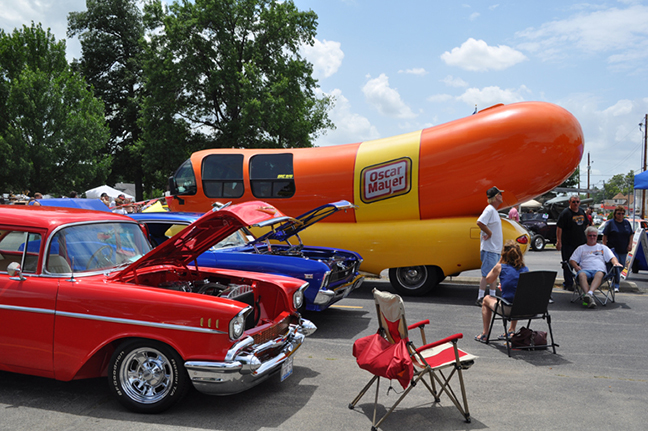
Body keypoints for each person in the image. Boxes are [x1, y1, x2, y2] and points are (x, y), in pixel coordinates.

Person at [474, 240, 529, 343]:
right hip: (524, 309)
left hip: (508, 309)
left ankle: (485, 334)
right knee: (517, 297)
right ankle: (511, 330)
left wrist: (499, 262)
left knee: (486, 299)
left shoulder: (501, 267)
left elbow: (488, 280)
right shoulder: (525, 269)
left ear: (504, 255)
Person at [569, 226, 622, 308]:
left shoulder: (602, 247)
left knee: (599, 273)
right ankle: (590, 298)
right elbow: (572, 260)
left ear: (597, 236)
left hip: (599, 270)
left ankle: (588, 295)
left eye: (594, 235)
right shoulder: (581, 248)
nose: (592, 237)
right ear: (586, 236)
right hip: (585, 270)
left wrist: (615, 263)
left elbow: (612, 257)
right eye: (590, 235)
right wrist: (576, 266)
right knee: (581, 275)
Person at [476, 186, 504, 306]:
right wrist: (489, 233)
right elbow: (480, 222)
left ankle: (492, 296)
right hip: (490, 249)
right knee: (486, 274)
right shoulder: (489, 210)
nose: (502, 197)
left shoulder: (493, 210)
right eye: (500, 194)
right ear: (497, 196)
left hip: (494, 249)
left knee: (493, 274)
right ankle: (481, 297)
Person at [556, 195, 587, 291]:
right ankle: (568, 283)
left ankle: (580, 282)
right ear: (570, 202)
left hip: (581, 244)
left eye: (577, 202)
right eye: (574, 202)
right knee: (568, 264)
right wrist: (558, 241)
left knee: (581, 264)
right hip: (568, 243)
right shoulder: (565, 213)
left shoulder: (582, 212)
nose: (576, 204)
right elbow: (559, 227)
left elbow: (587, 224)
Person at [602, 205, 633, 292]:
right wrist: (605, 247)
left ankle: (612, 277)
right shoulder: (610, 223)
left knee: (621, 266)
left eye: (622, 214)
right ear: (615, 214)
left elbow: (631, 234)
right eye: (619, 213)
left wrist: (630, 244)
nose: (620, 215)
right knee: (616, 266)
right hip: (613, 248)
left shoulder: (626, 223)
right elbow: (605, 236)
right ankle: (616, 285)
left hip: (623, 248)